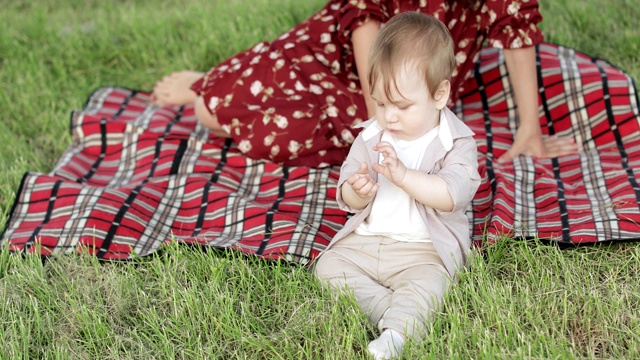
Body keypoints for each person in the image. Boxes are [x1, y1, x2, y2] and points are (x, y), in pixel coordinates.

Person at [151, 0, 578, 167]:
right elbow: (363, 19)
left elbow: (515, 25)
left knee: (296, 132)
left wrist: (530, 130)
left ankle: (218, 84)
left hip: (406, 80)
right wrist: (378, 114)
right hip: (348, 60)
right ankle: (207, 82)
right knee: (208, 110)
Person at [313, 12, 480, 359]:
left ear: (439, 94)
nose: (389, 116)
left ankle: (394, 337)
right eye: (381, 102)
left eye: (402, 106)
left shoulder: (457, 142)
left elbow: (451, 195)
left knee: (431, 283)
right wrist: (356, 191)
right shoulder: (372, 133)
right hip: (365, 244)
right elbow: (345, 192)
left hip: (423, 251)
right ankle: (394, 311)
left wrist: (402, 176)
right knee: (326, 268)